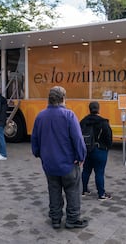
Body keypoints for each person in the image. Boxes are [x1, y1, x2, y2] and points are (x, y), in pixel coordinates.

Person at [31, 86, 88, 229]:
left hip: (49, 164)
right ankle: (72, 219)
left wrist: (39, 154)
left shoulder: (40, 116)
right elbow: (78, 139)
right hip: (68, 163)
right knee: (73, 191)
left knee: (54, 190)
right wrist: (81, 156)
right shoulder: (69, 115)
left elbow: (35, 140)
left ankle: (55, 219)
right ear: (63, 99)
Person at [80, 101, 113, 201]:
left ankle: (84, 190)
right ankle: (101, 194)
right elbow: (109, 138)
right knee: (99, 172)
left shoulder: (83, 121)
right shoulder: (103, 122)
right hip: (100, 150)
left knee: (86, 170)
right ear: (98, 109)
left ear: (89, 109)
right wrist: (107, 147)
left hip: (87, 150)